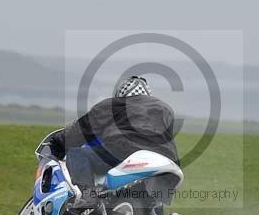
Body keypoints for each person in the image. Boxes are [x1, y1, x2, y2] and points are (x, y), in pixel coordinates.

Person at [49, 76, 179, 201]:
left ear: (121, 93)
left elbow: (83, 129)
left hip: (123, 150)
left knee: (77, 154)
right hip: (165, 159)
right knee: (154, 198)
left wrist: (60, 141)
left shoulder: (116, 105)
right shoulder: (165, 109)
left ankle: (88, 196)